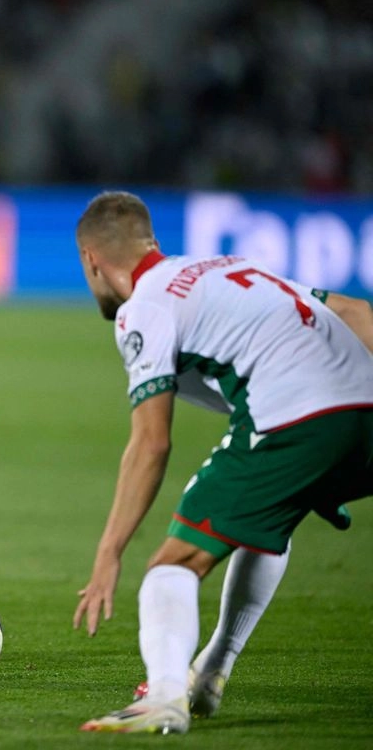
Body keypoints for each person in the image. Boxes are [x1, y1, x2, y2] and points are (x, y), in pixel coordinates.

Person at [71, 191, 373, 734]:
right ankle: (209, 674)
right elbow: (355, 313)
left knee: (174, 563)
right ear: (152, 242)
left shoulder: (145, 307)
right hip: (364, 409)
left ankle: (164, 696)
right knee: (265, 523)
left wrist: (108, 551)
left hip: (296, 419)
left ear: (92, 260)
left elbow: (151, 443)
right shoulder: (231, 267)